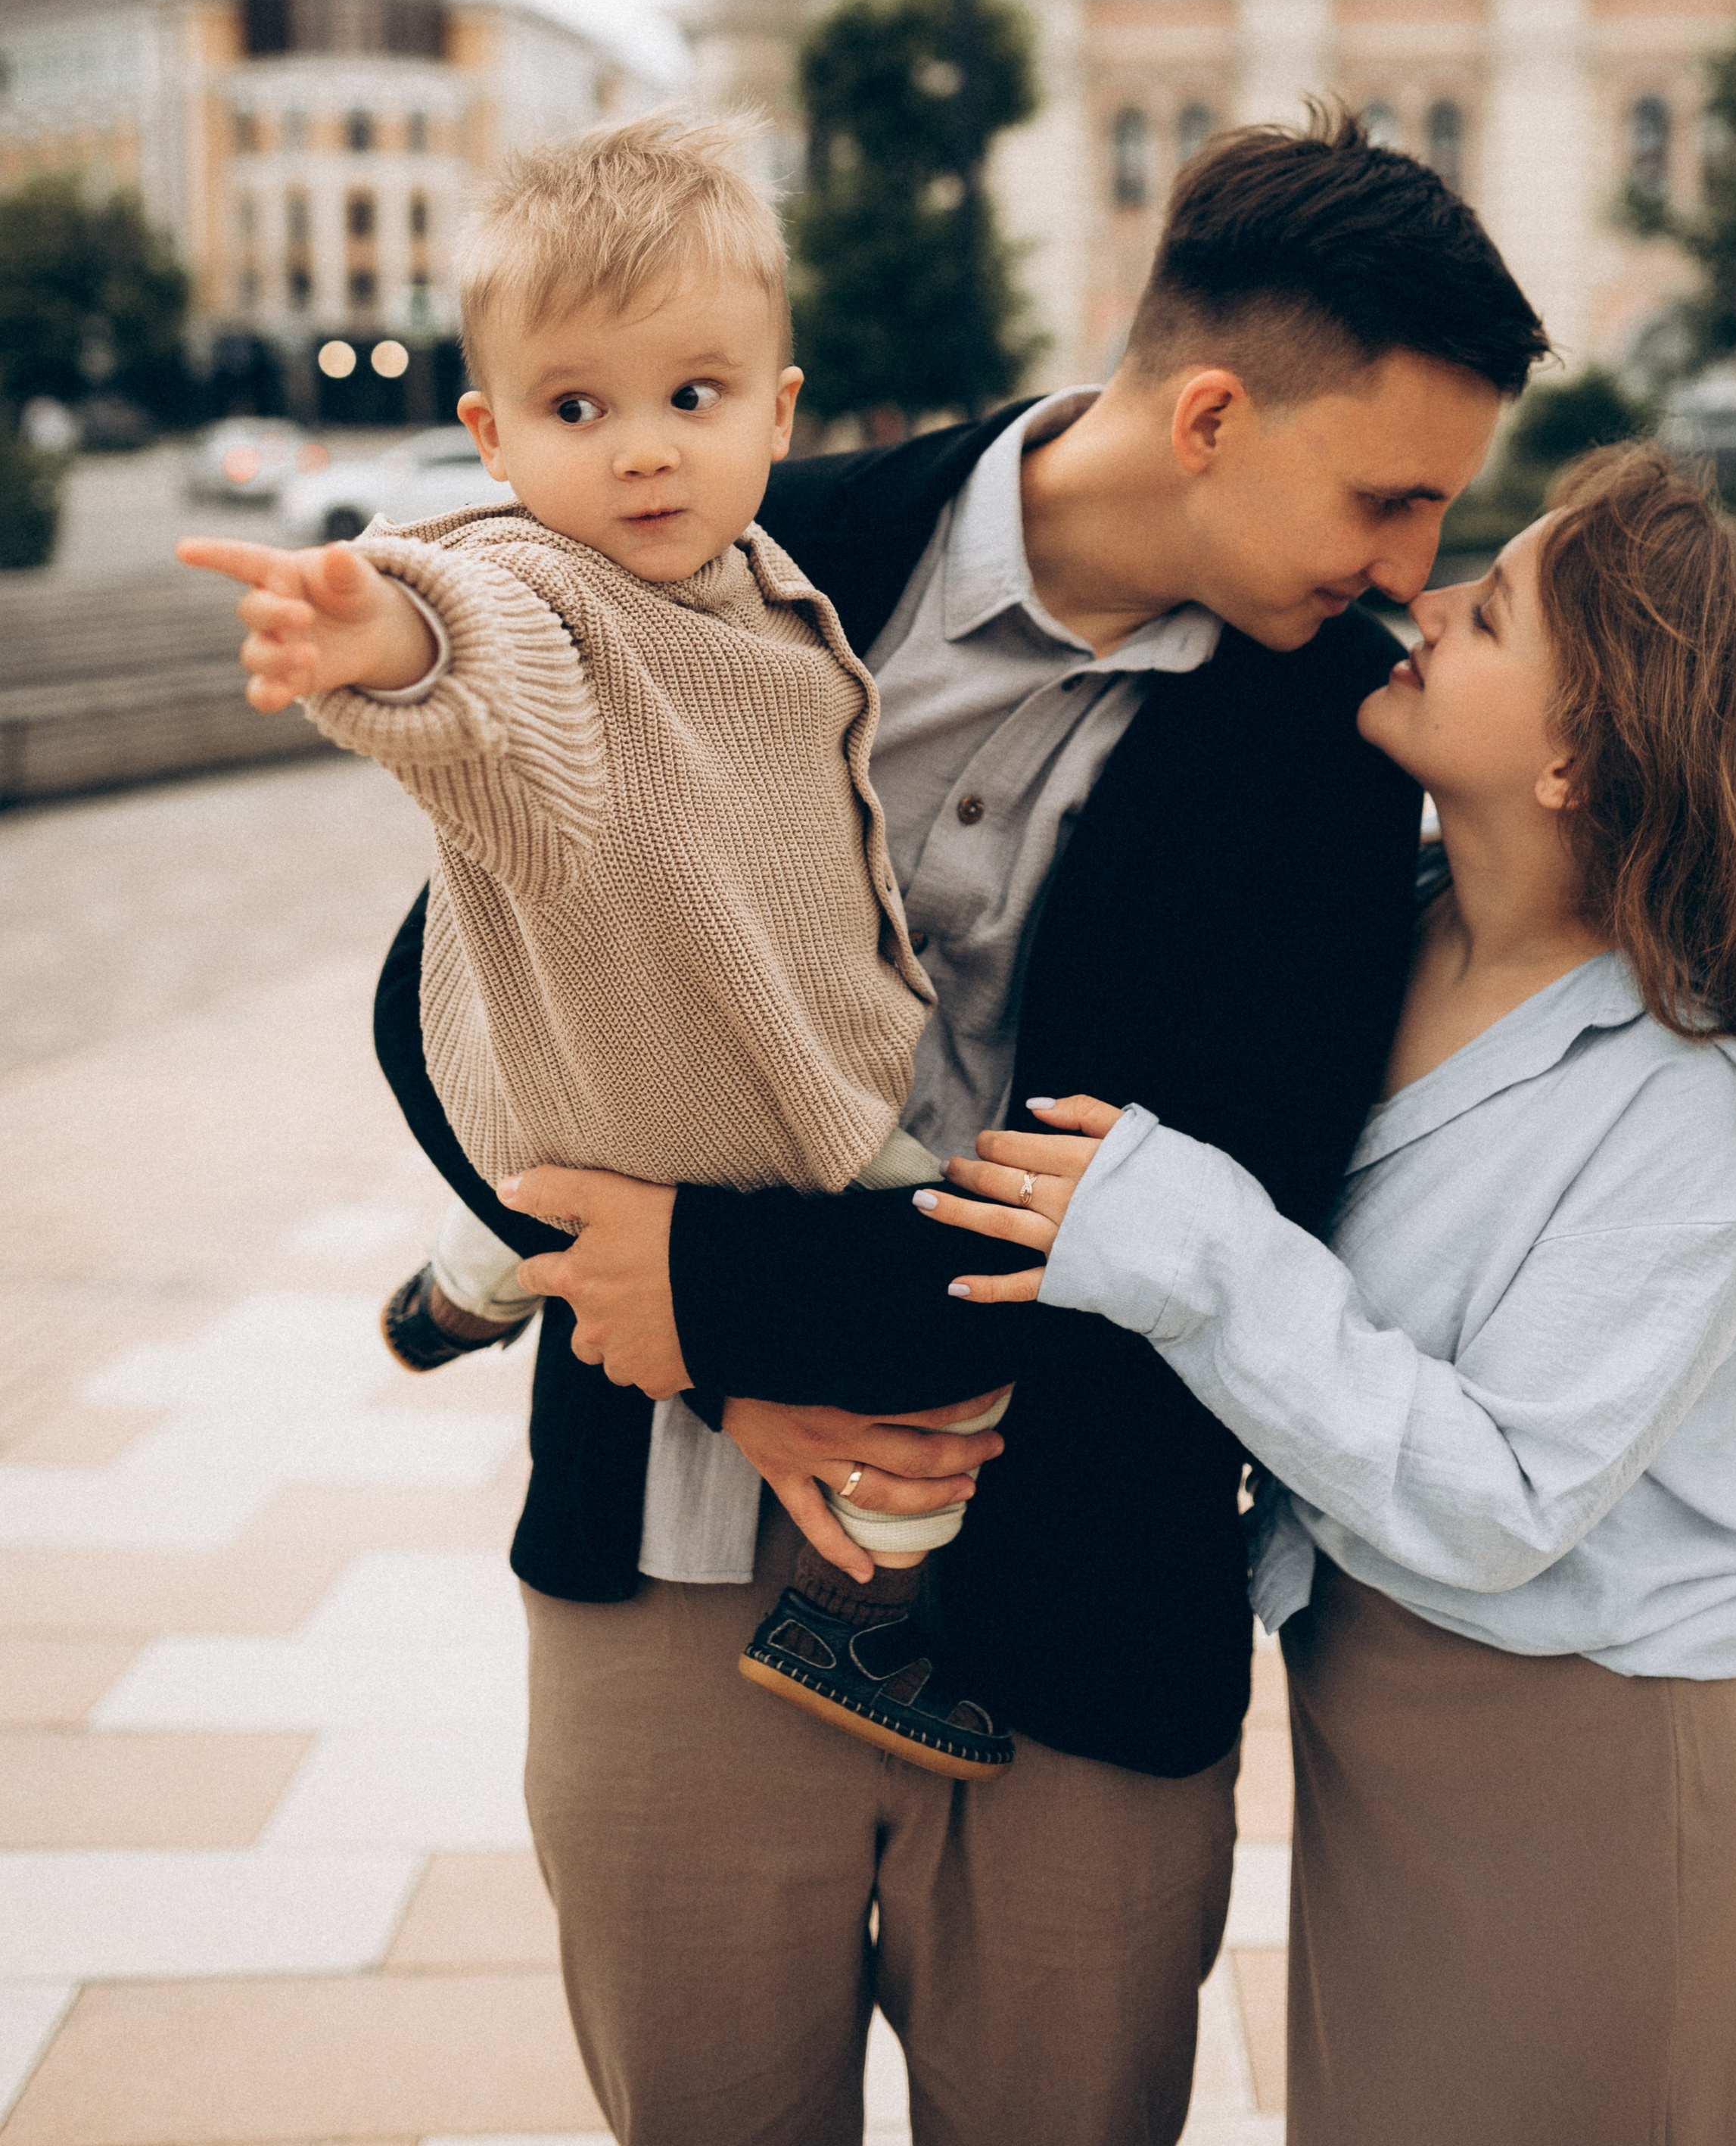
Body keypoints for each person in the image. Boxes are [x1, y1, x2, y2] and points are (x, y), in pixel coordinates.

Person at [375, 112, 1551, 2146]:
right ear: (1209, 414)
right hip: (675, 1572)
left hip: (1082, 1636)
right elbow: (446, 992)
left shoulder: (1333, 751)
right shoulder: (731, 533)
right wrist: (709, 1365)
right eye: (1389, 498)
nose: (1409, 574)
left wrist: (717, 1290)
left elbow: (1192, 1221)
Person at [926, 445, 1736, 2146]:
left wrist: (1183, 1238)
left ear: (1579, 752)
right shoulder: (1388, 933)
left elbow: (1502, 1496)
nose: (1422, 603)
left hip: (1579, 1764)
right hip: (1377, 1733)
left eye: (1490, 606)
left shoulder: (1689, 1095)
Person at [179, 111, 1018, 1776]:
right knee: (957, 1354)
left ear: (778, 409)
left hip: (620, 1082)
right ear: (490, 435)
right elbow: (474, 650)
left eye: (691, 398)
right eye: (579, 408)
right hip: (743, 1113)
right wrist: (379, 632)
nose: (642, 452)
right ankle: (858, 1625)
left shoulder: (763, 583)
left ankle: (479, 1267)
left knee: (546, 1185)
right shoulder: (540, 585)